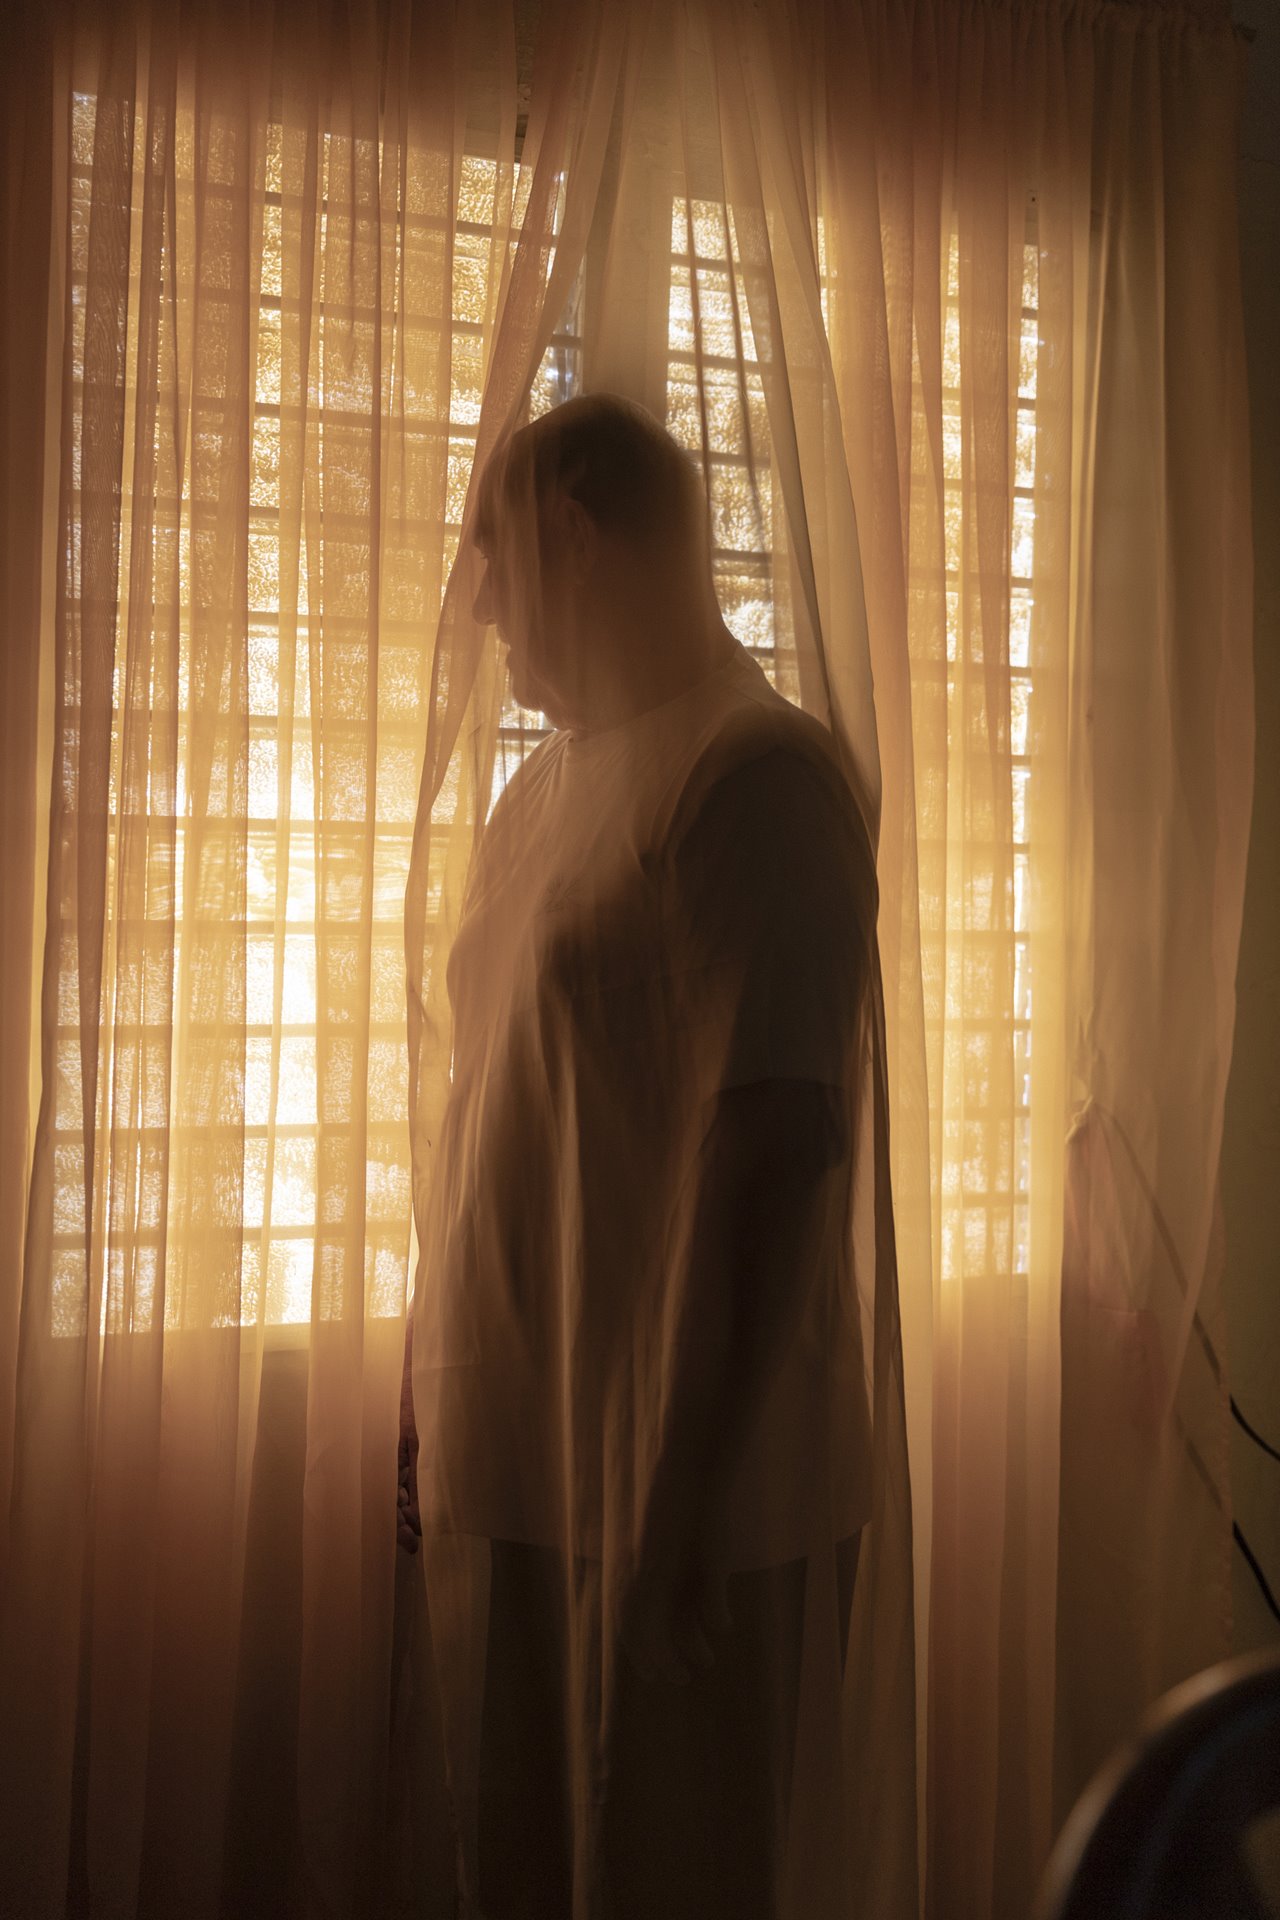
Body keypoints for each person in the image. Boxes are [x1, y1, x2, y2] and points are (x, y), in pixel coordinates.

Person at [398, 393, 914, 1919]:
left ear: (576, 536)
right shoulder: (540, 792)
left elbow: (774, 1148)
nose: (485, 617)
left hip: (680, 1506)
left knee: (667, 1879)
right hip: (521, 1462)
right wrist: (433, 1383)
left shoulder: (756, 774)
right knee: (523, 1878)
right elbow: (493, 1098)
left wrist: (677, 1508)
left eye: (495, 571)